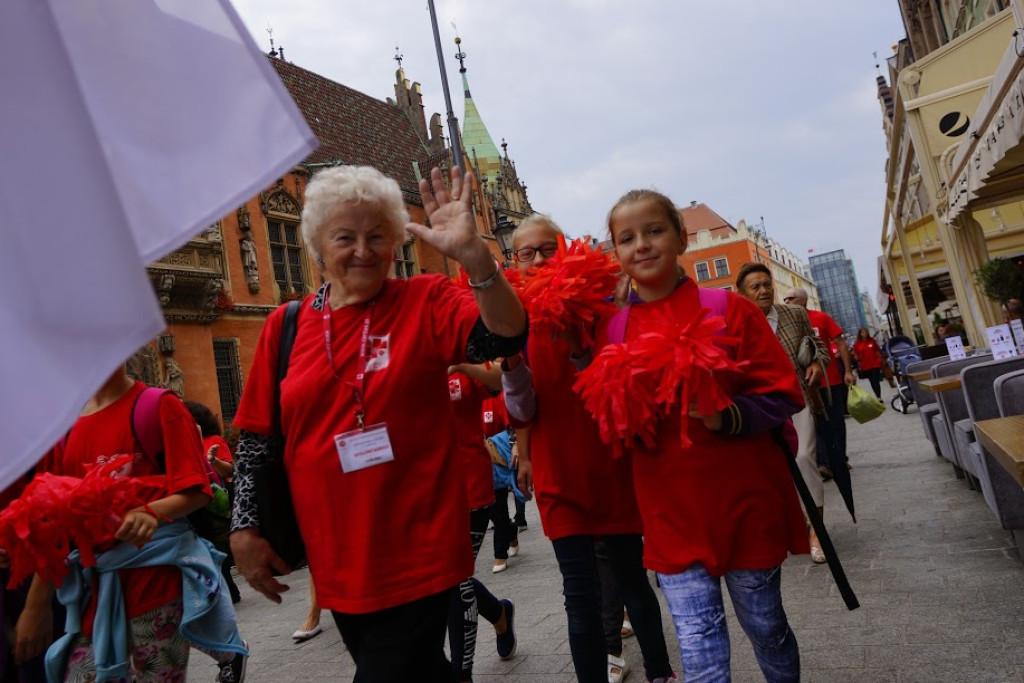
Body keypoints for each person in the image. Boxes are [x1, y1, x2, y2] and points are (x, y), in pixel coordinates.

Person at [228, 165, 527, 682]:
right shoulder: (287, 324)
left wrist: (476, 256)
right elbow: (256, 440)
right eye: (346, 237)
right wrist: (244, 529)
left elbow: (504, 338)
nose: (362, 250)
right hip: (336, 554)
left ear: (395, 243)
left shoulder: (425, 300)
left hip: (420, 547)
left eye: (377, 236)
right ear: (318, 245)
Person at [596, 189, 807, 682]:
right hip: (670, 511)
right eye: (626, 238)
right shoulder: (615, 330)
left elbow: (784, 392)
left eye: (654, 231)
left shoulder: (729, 310)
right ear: (616, 253)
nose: (641, 245)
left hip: (742, 503)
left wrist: (725, 415)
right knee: (698, 641)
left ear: (680, 238)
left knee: (767, 627)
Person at [502, 214, 676, 683]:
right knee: (578, 594)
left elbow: (616, 390)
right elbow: (522, 410)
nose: (538, 260)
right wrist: (512, 363)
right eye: (527, 253)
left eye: (547, 250)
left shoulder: (606, 307)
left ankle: (660, 672)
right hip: (560, 472)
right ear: (513, 261)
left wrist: (581, 350)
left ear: (566, 252)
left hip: (610, 463)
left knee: (632, 581)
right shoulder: (513, 320)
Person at [11, 365, 247, 683]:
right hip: (95, 588)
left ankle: (229, 653)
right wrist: (35, 605)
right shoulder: (63, 428)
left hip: (157, 579)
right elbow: (57, 521)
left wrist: (150, 512)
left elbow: (197, 491)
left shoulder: (158, 406)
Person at [736, 262, 831, 565]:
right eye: (756, 286)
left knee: (804, 457)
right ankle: (791, 525)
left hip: (799, 396)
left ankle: (817, 531)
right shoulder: (735, 323)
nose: (764, 290)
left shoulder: (795, 314)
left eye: (767, 284)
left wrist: (817, 362)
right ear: (742, 293)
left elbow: (819, 346)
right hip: (761, 405)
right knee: (774, 469)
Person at [446, 364, 517, 682]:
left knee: (455, 582)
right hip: (422, 492)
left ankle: (462, 673)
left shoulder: (461, 352)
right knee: (442, 582)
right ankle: (499, 613)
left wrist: (461, 364)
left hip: (470, 488)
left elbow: (501, 376)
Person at [784, 288, 855, 482]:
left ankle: (840, 459)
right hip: (806, 386)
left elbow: (840, 344)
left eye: (791, 298)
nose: (787, 302)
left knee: (836, 423)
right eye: (785, 299)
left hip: (830, 381)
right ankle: (825, 464)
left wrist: (848, 371)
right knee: (816, 426)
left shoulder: (821, 318)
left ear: (804, 301)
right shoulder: (788, 324)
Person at [184, 400, 242, 605]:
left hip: (217, 497)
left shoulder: (213, 439)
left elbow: (228, 470)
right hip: (205, 495)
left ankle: (228, 591)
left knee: (217, 543)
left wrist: (211, 460)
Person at [852, 328, 885, 400]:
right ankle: (877, 395)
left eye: (866, 332)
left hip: (875, 363)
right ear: (860, 334)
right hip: (865, 365)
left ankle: (879, 397)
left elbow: (877, 349)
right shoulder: (857, 343)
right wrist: (857, 360)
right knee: (872, 381)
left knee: (876, 380)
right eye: (863, 332)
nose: (865, 333)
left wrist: (880, 359)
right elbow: (856, 354)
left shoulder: (872, 340)